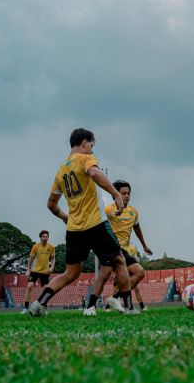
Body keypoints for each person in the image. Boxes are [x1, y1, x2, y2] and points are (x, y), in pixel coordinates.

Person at [28, 128, 135, 317]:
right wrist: (116, 194)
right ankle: (129, 309)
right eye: (91, 146)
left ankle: (39, 303)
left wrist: (64, 217)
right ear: (84, 143)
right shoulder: (85, 159)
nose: (92, 151)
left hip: (74, 229)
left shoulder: (61, 171)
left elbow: (51, 204)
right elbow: (94, 173)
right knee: (119, 261)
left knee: (71, 273)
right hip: (96, 224)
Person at [103, 180, 153, 312]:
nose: (127, 196)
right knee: (110, 276)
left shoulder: (133, 212)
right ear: (116, 194)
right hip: (112, 249)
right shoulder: (108, 209)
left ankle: (115, 299)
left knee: (138, 273)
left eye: (128, 193)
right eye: (123, 193)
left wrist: (144, 246)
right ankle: (118, 304)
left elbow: (137, 228)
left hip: (124, 251)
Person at [21, 230, 56, 313]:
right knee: (29, 286)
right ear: (40, 237)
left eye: (46, 236)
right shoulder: (35, 246)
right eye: (43, 236)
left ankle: (44, 308)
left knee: (46, 290)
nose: (45, 238)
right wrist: (28, 270)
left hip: (45, 272)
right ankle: (26, 308)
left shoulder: (51, 247)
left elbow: (53, 258)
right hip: (35, 270)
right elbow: (31, 259)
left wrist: (51, 267)